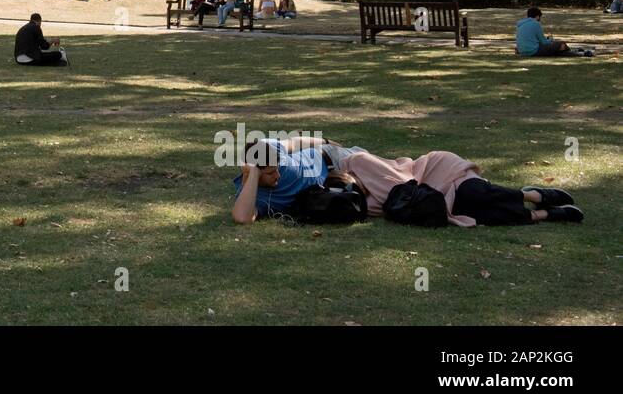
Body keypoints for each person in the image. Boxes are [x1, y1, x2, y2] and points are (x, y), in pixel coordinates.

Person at [232, 135, 584, 226]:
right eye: (270, 175)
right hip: (348, 191)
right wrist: (251, 176)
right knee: (453, 202)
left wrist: (328, 143)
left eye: (278, 169)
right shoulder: (252, 190)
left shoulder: (275, 152)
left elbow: (295, 141)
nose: (277, 177)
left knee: (457, 187)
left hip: (350, 163)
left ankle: (531, 195)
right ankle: (543, 214)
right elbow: (242, 219)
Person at [515, 6, 591, 57]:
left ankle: (580, 53)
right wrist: (550, 39)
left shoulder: (520, 24)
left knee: (556, 51)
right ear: (537, 16)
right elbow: (544, 42)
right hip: (533, 51)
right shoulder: (536, 23)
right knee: (561, 44)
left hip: (522, 51)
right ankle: (576, 52)